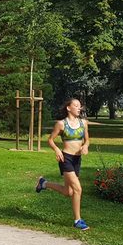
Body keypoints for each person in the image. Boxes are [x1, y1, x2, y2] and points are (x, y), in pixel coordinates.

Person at [36, 98, 91, 231]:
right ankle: (77, 221)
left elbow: (87, 140)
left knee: (68, 192)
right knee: (78, 189)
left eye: (80, 106)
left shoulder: (83, 123)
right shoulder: (61, 124)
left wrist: (85, 146)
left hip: (77, 159)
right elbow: (50, 140)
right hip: (66, 158)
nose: (79, 108)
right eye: (76, 105)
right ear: (68, 108)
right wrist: (56, 149)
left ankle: (43, 183)